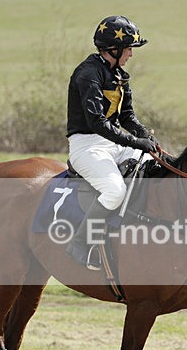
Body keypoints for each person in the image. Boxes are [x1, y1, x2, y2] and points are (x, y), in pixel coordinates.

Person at [65, 15, 158, 269]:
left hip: (113, 143)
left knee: (156, 166)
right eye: (128, 49)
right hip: (87, 146)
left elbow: (127, 116)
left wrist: (146, 137)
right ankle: (81, 243)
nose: (131, 54)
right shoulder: (87, 74)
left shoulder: (117, 74)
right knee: (114, 190)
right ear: (113, 49)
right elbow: (96, 122)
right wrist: (136, 142)